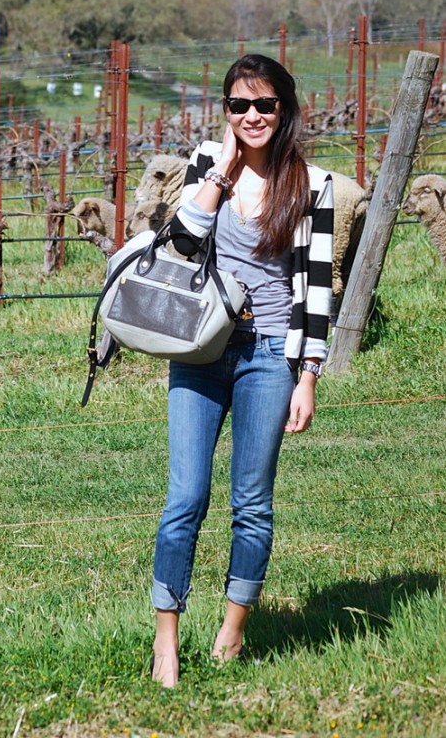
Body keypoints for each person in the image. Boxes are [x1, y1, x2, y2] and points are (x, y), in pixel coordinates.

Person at [150, 53, 334, 687]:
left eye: (264, 104)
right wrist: (223, 171)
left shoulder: (314, 185)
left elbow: (315, 292)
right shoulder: (207, 162)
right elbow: (179, 244)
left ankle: (231, 632)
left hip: (270, 356)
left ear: (284, 109)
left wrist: (308, 374)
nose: (251, 115)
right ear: (225, 112)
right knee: (185, 497)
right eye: (238, 105)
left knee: (251, 503)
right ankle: (166, 640)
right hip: (201, 347)